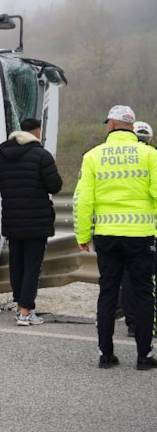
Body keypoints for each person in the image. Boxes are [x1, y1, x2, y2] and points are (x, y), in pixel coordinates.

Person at [74, 105, 157, 370]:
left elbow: (83, 200)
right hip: (140, 235)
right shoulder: (149, 155)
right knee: (144, 293)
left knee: (108, 292)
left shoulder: (93, 156)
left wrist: (82, 233)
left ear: (110, 125)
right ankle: (144, 356)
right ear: (131, 126)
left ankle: (105, 355)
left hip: (107, 235)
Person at [0, 118, 63, 326]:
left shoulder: (2, 157)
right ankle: (25, 311)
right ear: (37, 132)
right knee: (32, 265)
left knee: (17, 264)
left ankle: (19, 306)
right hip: (36, 220)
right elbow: (55, 186)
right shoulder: (41, 155)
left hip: (12, 219)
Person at [119, 120, 155, 337]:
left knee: (127, 279)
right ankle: (145, 326)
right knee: (144, 283)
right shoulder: (152, 159)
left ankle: (132, 323)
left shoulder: (113, 159)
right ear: (150, 141)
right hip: (145, 230)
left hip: (115, 229)